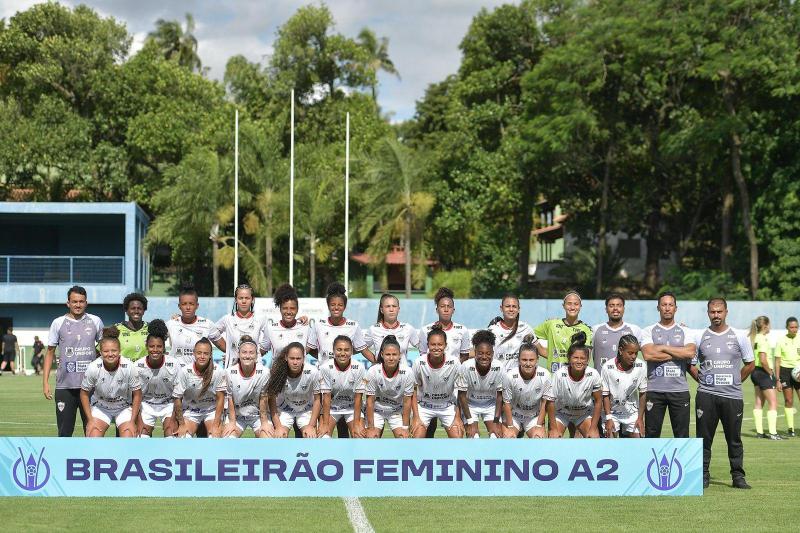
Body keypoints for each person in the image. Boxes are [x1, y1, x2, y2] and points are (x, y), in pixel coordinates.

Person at [691, 297, 755, 489]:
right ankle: (703, 475)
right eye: (712, 312)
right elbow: (691, 365)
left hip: (732, 396)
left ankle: (738, 477)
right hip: (706, 395)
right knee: (703, 438)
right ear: (708, 313)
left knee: (734, 438)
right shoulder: (700, 336)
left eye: (719, 311)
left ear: (726, 312)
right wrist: (701, 379)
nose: (716, 315)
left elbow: (750, 364)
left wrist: (736, 381)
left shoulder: (739, 336)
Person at [43, 286, 104, 437]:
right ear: (68, 303)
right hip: (65, 387)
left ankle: (91, 460)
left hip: (90, 388)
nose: (78, 305)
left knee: (92, 431)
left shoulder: (95, 321)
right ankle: (63, 460)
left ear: (86, 303)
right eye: (74, 301)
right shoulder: (58, 323)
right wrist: (45, 382)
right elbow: (49, 352)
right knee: (64, 432)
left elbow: (105, 349)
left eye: (81, 302)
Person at [641, 292, 697, 438]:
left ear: (675, 308)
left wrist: (662, 347)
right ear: (658, 308)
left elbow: (690, 353)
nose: (667, 308)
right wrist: (678, 352)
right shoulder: (647, 330)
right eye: (664, 305)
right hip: (654, 390)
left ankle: (682, 462)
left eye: (670, 305)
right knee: (651, 435)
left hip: (679, 390)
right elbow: (648, 355)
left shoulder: (686, 330)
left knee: (682, 436)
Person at [79, 327, 142, 437]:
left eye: (114, 350)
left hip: (123, 407)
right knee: (93, 435)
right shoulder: (93, 367)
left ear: (120, 351)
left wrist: (132, 421)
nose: (110, 354)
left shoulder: (129, 367)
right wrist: (90, 420)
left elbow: (137, 394)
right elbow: (84, 393)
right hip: (101, 407)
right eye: (106, 351)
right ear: (101, 352)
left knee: (129, 436)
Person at [545, 332, 602, 438]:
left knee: (594, 438)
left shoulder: (593, 374)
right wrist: (553, 428)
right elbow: (550, 401)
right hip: (561, 413)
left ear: (587, 360)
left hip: (583, 414)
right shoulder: (559, 375)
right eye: (575, 358)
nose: (579, 361)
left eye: (583, 358)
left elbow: (598, 401)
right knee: (553, 439)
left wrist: (593, 428)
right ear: (569, 358)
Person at [412, 325, 463, 438]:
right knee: (416, 438)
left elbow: (461, 391)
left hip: (447, 406)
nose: (436, 348)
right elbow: (413, 390)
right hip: (424, 406)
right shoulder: (419, 362)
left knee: (458, 437)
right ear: (428, 345)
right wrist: (416, 417)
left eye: (440, 344)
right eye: (433, 344)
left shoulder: (454, 362)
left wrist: (458, 417)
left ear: (445, 345)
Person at [263, 342, 321, 438]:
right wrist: (278, 426)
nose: (295, 362)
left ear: (304, 358)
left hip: (305, 411)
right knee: (279, 436)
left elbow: (317, 400)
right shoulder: (278, 371)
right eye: (292, 358)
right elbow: (271, 400)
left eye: (298, 358)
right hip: (284, 411)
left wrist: (311, 426)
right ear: (286, 358)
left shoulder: (313, 372)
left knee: (310, 436)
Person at [307, 282, 374, 365]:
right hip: (323, 374)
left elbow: (364, 350)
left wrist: (379, 364)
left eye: (340, 305)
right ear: (328, 306)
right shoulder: (318, 324)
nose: (336, 308)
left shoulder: (353, 326)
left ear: (345, 306)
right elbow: (308, 349)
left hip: (345, 373)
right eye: (333, 305)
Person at [172, 338, 227, 437]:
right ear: (193, 353)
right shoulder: (184, 371)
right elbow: (177, 398)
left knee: (215, 437)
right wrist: (181, 424)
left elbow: (221, 398)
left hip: (211, 411)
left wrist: (216, 425)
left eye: (206, 353)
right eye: (199, 353)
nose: (202, 356)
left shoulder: (218, 371)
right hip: (191, 411)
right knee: (183, 437)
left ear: (211, 355)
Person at [500, 340, 554, 438]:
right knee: (509, 438)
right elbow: (506, 403)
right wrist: (510, 426)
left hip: (533, 417)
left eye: (531, 360)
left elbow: (544, 403)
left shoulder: (545, 375)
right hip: (514, 416)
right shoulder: (510, 376)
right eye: (524, 360)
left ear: (537, 359)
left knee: (538, 438)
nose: (528, 363)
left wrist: (538, 425)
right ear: (519, 360)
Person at [208, 283, 269, 368]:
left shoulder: (261, 319)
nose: (244, 301)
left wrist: (257, 353)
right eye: (241, 298)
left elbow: (268, 339)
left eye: (247, 298)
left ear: (252, 299)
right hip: (232, 368)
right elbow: (212, 333)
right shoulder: (228, 319)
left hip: (255, 369)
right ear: (236, 300)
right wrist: (228, 350)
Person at [135, 319, 179, 438]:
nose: (155, 350)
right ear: (146, 347)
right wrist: (138, 420)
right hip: (146, 405)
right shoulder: (137, 366)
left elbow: (178, 395)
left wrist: (174, 418)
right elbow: (135, 395)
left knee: (171, 435)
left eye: (159, 346)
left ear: (164, 348)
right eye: (151, 346)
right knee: (142, 438)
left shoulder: (174, 364)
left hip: (168, 404)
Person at [456, 330, 504, 438]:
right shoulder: (466, 366)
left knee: (495, 436)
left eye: (488, 353)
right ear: (475, 352)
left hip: (491, 405)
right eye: (480, 353)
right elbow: (461, 396)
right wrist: (470, 421)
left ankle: (492, 455)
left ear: (492, 353)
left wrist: (496, 421)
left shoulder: (499, 367)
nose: (484, 357)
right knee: (474, 436)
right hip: (470, 404)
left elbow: (500, 396)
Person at [222, 335, 272, 438]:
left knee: (268, 439)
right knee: (228, 439)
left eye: (251, 352)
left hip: (258, 416)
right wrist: (232, 422)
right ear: (238, 354)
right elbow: (230, 398)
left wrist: (264, 423)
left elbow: (263, 398)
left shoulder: (265, 372)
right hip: (237, 417)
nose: (247, 356)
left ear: (257, 355)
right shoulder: (229, 372)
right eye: (244, 352)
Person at [364, 336, 414, 438]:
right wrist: (371, 427)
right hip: (376, 411)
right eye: (388, 354)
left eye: (394, 354)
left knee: (404, 439)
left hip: (396, 411)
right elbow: (370, 401)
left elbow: (407, 401)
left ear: (400, 355)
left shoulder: (408, 372)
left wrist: (405, 427)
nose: (391, 358)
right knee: (371, 439)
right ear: (382, 355)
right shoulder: (373, 371)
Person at [318, 336, 367, 438]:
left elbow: (358, 398)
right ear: (333, 350)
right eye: (339, 349)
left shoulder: (359, 367)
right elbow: (326, 397)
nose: (343, 353)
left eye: (347, 350)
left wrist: (357, 423)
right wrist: (325, 424)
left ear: (352, 351)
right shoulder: (325, 368)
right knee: (323, 437)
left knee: (359, 436)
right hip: (331, 409)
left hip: (352, 409)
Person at [534, 291, 593, 373]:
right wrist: (547, 353)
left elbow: (586, 357)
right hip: (552, 378)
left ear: (580, 306)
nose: (572, 307)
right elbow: (530, 335)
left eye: (576, 304)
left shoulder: (586, 329)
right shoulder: (551, 324)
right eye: (569, 304)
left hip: (572, 379)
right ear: (563, 306)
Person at [601, 334, 647, 438]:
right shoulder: (607, 367)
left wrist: (640, 418)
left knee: (639, 443)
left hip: (632, 413)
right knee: (609, 443)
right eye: (630, 353)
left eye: (636, 353)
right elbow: (605, 394)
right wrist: (608, 418)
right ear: (621, 350)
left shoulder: (641, 366)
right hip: (612, 413)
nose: (634, 356)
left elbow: (643, 393)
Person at [365, 293, 420, 368]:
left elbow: (422, 348)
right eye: (388, 306)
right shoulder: (373, 329)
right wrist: (376, 361)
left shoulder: (408, 328)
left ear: (398, 309)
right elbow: (362, 348)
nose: (391, 309)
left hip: (402, 375)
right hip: (380, 375)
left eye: (394, 306)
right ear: (381, 310)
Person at [748, 316, 781, 440]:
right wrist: (770, 373)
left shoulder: (756, 338)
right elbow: (763, 360)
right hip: (763, 372)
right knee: (773, 403)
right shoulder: (762, 339)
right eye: (770, 324)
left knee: (759, 402)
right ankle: (773, 433)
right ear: (766, 325)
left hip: (755, 372)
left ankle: (760, 433)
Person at [591, 293, 643, 370]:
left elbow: (647, 352)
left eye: (619, 305)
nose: (615, 308)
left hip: (626, 380)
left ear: (623, 309)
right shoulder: (595, 329)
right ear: (606, 309)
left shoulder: (635, 330)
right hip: (601, 381)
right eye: (611, 306)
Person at [166, 284, 214, 368]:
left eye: (191, 304)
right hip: (176, 375)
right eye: (184, 304)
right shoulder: (171, 324)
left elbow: (224, 346)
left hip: (198, 376)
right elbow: (155, 344)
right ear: (179, 306)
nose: (188, 307)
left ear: (197, 306)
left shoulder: (207, 324)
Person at [418, 287, 471, 362]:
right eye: (442, 306)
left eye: (449, 307)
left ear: (453, 310)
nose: (446, 310)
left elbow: (465, 356)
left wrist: (453, 369)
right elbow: (423, 356)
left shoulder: (462, 330)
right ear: (437, 310)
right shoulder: (425, 330)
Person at [488, 293, 538, 371]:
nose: (511, 309)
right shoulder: (493, 330)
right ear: (501, 308)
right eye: (507, 306)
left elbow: (540, 350)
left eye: (514, 306)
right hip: (499, 378)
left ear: (518, 309)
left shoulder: (526, 328)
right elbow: (480, 352)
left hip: (519, 379)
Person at [265, 284, 311, 363]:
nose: (289, 312)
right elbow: (260, 351)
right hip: (278, 374)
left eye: (292, 308)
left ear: (297, 309)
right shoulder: (270, 328)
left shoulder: (305, 327)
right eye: (285, 308)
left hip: (300, 375)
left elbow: (315, 351)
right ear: (280, 309)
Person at [775, 316, 800, 437]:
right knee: (789, 400)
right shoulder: (780, 341)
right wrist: (778, 379)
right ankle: (791, 428)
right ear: (787, 328)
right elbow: (777, 361)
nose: (794, 329)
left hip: (799, 371)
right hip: (785, 372)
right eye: (792, 327)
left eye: (796, 327)